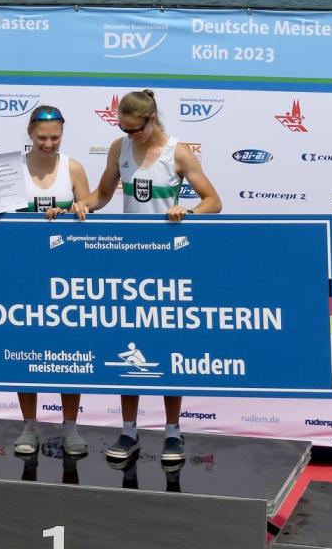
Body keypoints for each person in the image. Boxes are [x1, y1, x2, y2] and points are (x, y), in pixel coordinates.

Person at [76, 89, 222, 469]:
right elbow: (102, 194)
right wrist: (82, 205)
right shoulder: (119, 148)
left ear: (151, 118)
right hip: (130, 262)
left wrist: (187, 212)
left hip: (169, 264)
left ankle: (173, 431)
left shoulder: (178, 152)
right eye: (123, 129)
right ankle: (129, 429)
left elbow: (214, 201)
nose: (130, 135)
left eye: (135, 129)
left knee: (170, 347)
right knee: (130, 347)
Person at [0, 106, 93, 458]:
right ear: (29, 133)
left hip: (66, 275)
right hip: (21, 272)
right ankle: (29, 425)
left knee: (70, 353)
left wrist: (73, 210)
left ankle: (70, 426)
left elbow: (88, 209)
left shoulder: (73, 167)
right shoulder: (8, 169)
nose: (49, 143)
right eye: (42, 137)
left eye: (55, 137)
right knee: (26, 349)